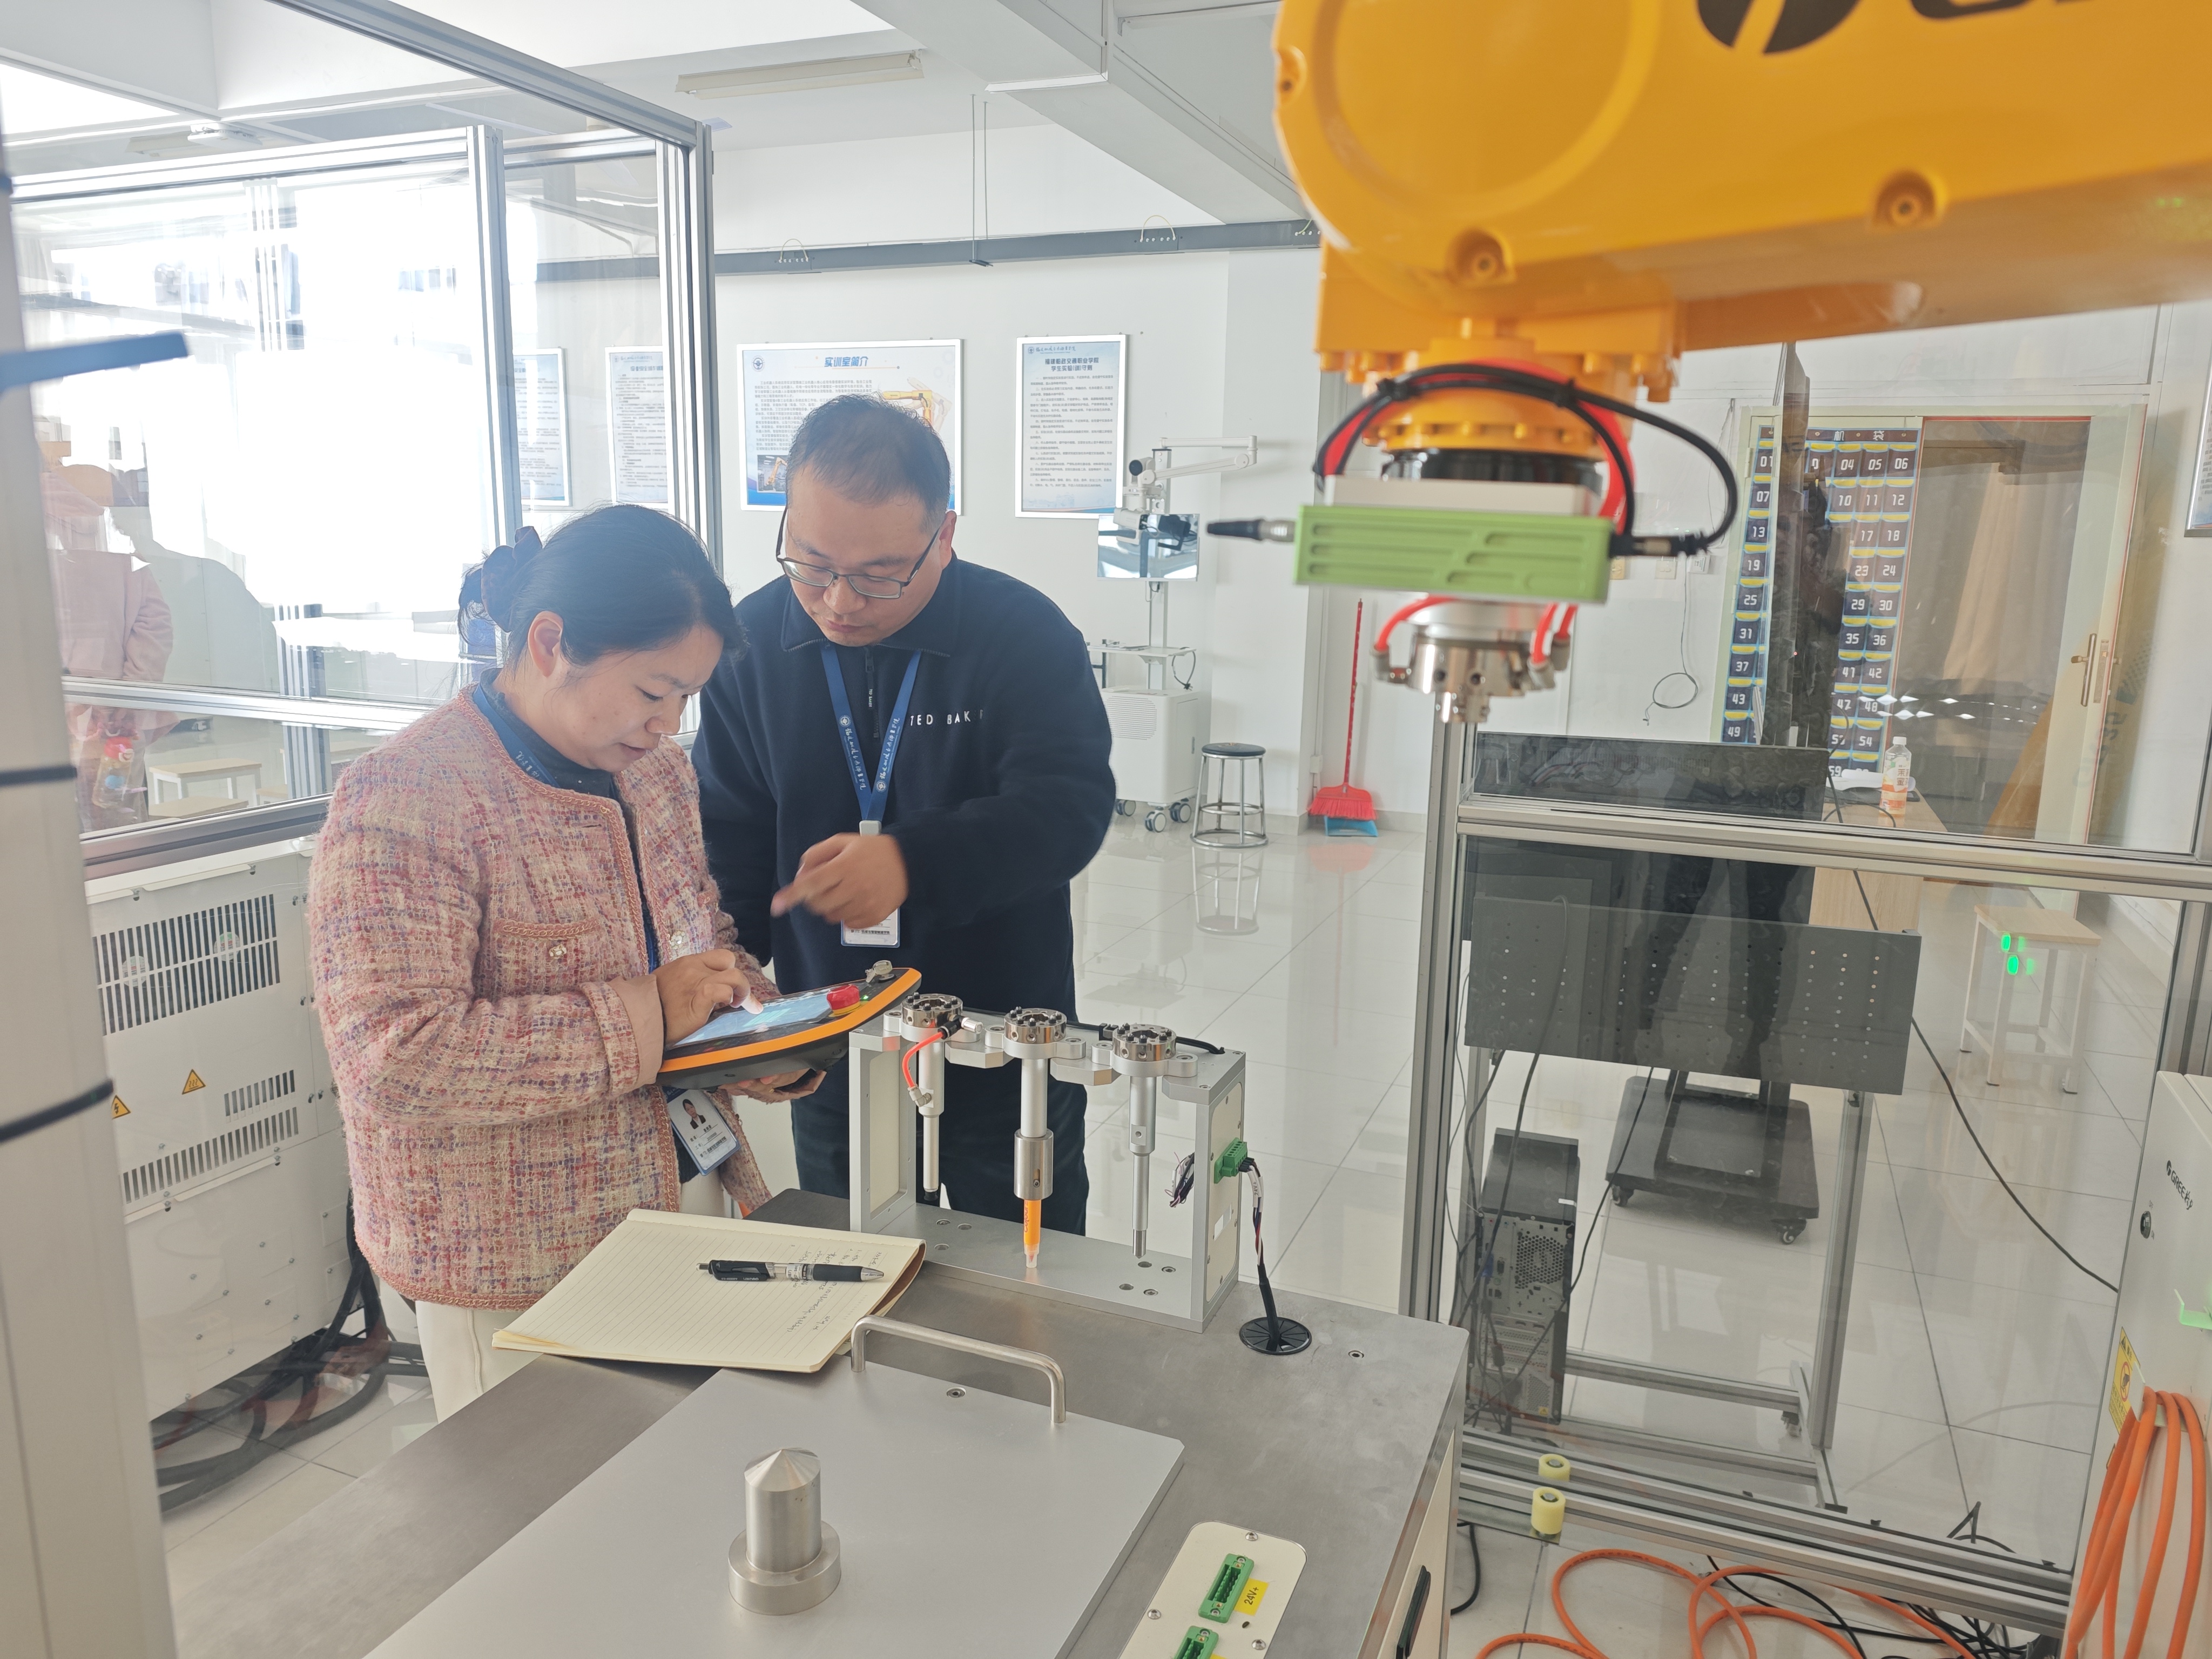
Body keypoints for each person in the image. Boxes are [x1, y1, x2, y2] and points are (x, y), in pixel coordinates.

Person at [307, 506, 817, 1418]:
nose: (669, 723)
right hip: (514, 1261)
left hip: (684, 1195)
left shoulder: (655, 775)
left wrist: (758, 1028)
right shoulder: (410, 793)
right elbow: (397, 1057)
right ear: (551, 644)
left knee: (683, 1472)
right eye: (654, 689)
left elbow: (700, 939)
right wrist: (648, 1014)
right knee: (539, 1501)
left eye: (688, 697)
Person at [694, 394, 1116, 1233]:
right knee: (861, 1264)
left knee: (1027, 1267)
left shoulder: (1022, 633)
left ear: (944, 535)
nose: (840, 601)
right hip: (835, 1041)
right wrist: (735, 992)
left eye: (881, 573)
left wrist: (914, 863)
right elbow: (729, 836)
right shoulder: (751, 646)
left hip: (1004, 1039)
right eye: (812, 563)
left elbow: (1069, 807)